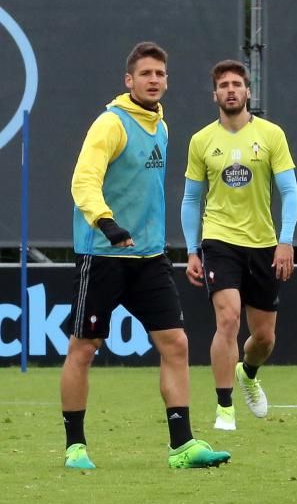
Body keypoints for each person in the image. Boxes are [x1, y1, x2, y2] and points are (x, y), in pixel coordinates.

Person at [62, 41, 230, 469]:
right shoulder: (111, 124)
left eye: (160, 74)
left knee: (175, 342)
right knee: (84, 347)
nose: (154, 80)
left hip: (149, 258)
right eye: (146, 74)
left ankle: (182, 445)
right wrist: (107, 223)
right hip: (103, 254)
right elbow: (84, 181)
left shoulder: (161, 124)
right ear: (129, 80)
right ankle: (75, 446)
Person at [181, 60, 297, 431]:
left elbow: (289, 191)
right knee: (228, 318)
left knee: (264, 338)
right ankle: (224, 407)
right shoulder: (201, 141)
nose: (230, 90)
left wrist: (286, 241)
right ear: (214, 94)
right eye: (224, 85)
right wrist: (191, 249)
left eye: (237, 84)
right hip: (218, 241)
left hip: (264, 245)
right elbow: (190, 199)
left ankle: (248, 372)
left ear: (248, 92)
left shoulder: (271, 135)